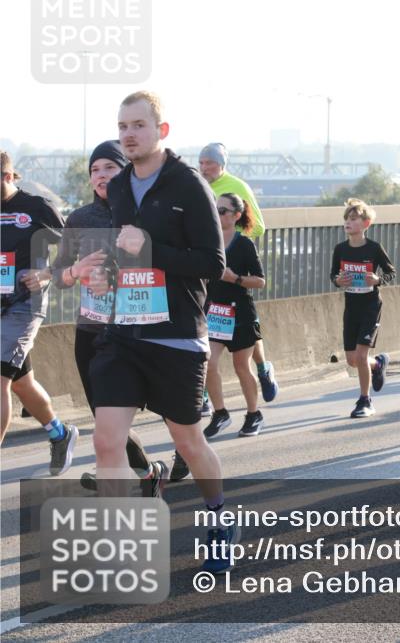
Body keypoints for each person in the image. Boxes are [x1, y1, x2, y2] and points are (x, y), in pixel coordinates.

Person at [87, 91, 236, 573]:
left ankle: (218, 519)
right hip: (124, 333)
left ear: (161, 131)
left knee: (189, 442)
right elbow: (126, 254)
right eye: (122, 126)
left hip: (175, 335)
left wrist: (149, 248)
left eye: (138, 125)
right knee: (106, 440)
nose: (129, 134)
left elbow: (212, 264)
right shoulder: (120, 186)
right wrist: (107, 270)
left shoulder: (188, 185)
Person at [50, 140, 167, 494]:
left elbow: (163, 269)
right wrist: (77, 270)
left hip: (133, 330)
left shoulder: (145, 213)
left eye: (109, 168)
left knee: (109, 422)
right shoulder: (80, 218)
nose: (101, 175)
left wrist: (118, 277)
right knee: (102, 416)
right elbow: (58, 276)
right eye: (94, 170)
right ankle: (147, 473)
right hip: (90, 330)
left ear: (126, 171)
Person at [0, 151, 78, 475]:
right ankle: (60, 434)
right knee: (21, 383)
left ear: (7, 176)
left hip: (23, 306)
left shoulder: (36, 208)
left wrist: (45, 275)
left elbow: (74, 246)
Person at [199, 143, 277, 404]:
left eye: (209, 162)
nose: (205, 167)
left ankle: (264, 370)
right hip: (214, 275)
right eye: (201, 162)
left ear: (221, 164)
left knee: (245, 332)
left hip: (239, 266)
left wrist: (234, 243)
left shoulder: (237, 186)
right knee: (213, 347)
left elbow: (259, 227)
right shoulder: (199, 185)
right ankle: (209, 397)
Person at [203, 193, 267, 438]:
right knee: (208, 362)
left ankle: (253, 414)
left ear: (236, 216)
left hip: (240, 313)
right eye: (215, 209)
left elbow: (260, 281)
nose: (217, 215)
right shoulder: (209, 241)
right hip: (215, 312)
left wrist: (235, 278)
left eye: (223, 211)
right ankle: (220, 413)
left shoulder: (243, 244)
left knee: (242, 367)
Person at [330, 199, 395, 418]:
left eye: (353, 219)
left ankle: (365, 400)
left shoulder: (374, 248)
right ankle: (377, 364)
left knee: (360, 355)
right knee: (351, 360)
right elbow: (333, 275)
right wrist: (339, 281)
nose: (348, 222)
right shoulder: (340, 249)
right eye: (346, 219)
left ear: (365, 223)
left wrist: (377, 279)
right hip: (351, 306)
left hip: (370, 305)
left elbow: (391, 273)